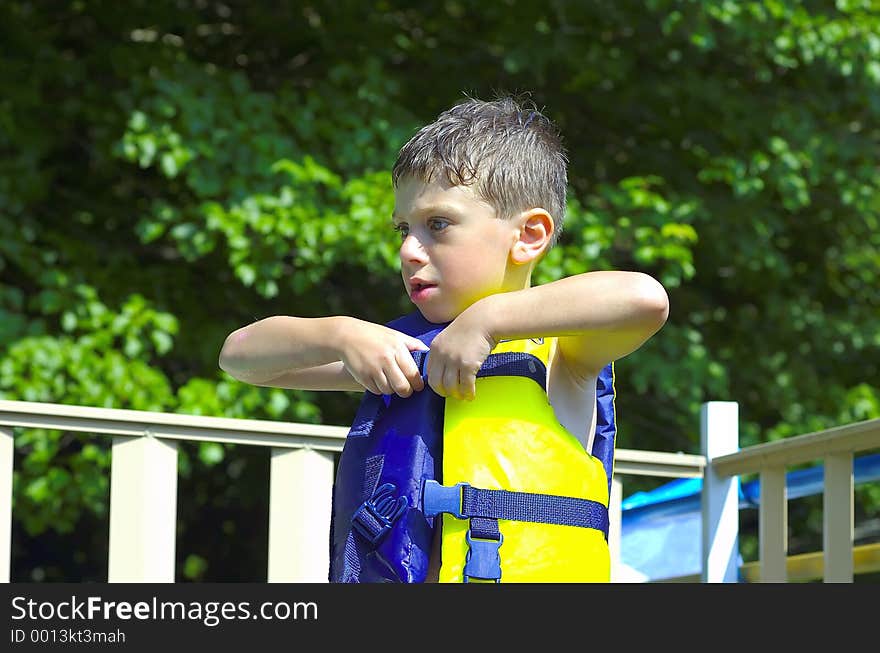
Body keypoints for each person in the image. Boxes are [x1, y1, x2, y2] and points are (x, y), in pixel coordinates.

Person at [219, 94, 669, 583]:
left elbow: (644, 298)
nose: (409, 250)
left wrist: (489, 320)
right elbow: (239, 358)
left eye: (438, 225)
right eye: (403, 229)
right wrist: (338, 334)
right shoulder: (405, 352)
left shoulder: (568, 355)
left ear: (529, 236)